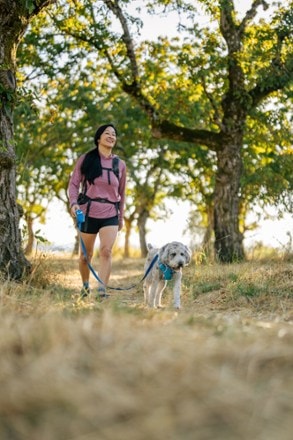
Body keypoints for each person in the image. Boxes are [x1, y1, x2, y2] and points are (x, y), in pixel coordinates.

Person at [68, 124, 126, 299]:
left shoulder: (120, 164)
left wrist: (120, 217)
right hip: (87, 212)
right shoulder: (86, 159)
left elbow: (122, 193)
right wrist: (73, 203)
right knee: (85, 257)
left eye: (114, 134)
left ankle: (102, 290)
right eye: (107, 133)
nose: (111, 136)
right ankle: (85, 286)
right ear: (98, 138)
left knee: (106, 251)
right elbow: (73, 184)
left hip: (110, 213)